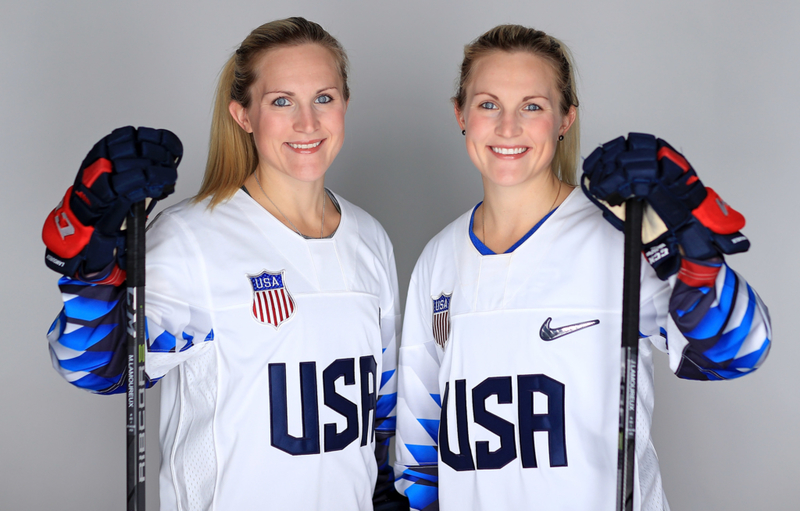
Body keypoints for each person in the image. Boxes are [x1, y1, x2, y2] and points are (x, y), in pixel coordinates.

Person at [393, 24, 771, 511]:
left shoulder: (620, 235)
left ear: (565, 118)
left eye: (533, 106)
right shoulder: (439, 258)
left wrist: (693, 250)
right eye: (488, 104)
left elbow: (739, 352)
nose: (508, 127)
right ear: (460, 113)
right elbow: (421, 451)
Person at [43, 17, 407, 511]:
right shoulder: (193, 236)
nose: (307, 122)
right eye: (282, 101)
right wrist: (89, 260)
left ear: (344, 103)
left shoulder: (369, 237)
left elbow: (378, 411)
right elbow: (97, 368)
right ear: (243, 115)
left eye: (324, 98)